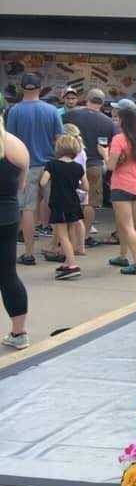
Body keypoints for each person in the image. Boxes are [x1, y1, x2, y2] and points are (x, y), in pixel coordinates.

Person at [5, 72, 63, 266]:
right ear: (40, 88)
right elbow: (59, 141)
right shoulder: (52, 110)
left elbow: (10, 141)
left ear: (22, 88)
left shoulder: (14, 111)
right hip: (50, 165)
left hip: (26, 167)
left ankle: (29, 252)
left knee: (27, 209)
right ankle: (56, 247)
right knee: (55, 206)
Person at [64, 88, 119, 247]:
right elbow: (108, 145)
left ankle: (68, 237)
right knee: (90, 202)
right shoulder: (108, 122)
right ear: (102, 103)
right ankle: (85, 237)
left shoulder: (71, 115)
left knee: (69, 199)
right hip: (94, 164)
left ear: (86, 99)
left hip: (71, 162)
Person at [105, 99, 136, 275]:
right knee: (127, 224)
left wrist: (103, 154)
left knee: (126, 225)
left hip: (121, 185)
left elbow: (110, 165)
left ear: (123, 120)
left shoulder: (118, 139)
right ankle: (122, 255)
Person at [0, 117, 30, 349]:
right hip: (7, 216)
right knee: (8, 274)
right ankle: (19, 334)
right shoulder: (16, 145)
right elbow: (21, 185)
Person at [39, 135, 87, 280]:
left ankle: (72, 265)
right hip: (73, 203)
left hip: (59, 203)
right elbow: (86, 186)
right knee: (71, 231)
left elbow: (42, 182)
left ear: (58, 148)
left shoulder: (52, 165)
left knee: (62, 235)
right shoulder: (78, 167)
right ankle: (67, 261)